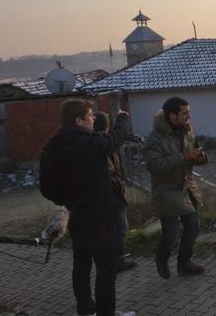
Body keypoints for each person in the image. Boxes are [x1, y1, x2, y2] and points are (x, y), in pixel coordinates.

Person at [39, 99, 135, 316]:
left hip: (76, 217)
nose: (93, 119)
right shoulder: (91, 142)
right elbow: (117, 137)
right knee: (106, 269)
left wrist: (68, 200)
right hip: (101, 218)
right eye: (90, 115)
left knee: (81, 264)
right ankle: (106, 312)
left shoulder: (50, 147)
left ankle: (84, 308)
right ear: (79, 120)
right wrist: (122, 117)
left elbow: (45, 188)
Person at [142, 96, 207, 279]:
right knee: (171, 233)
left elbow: (192, 151)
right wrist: (183, 157)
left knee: (193, 227)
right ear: (172, 116)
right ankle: (161, 259)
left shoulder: (187, 129)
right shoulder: (155, 138)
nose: (189, 116)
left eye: (188, 112)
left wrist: (200, 157)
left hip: (186, 186)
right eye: (184, 113)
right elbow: (154, 165)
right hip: (166, 190)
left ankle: (184, 263)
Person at [93, 112, 137, 273]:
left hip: (114, 193)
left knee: (119, 227)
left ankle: (115, 260)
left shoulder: (103, 143)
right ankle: (113, 262)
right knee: (116, 228)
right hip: (108, 196)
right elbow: (109, 170)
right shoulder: (99, 145)